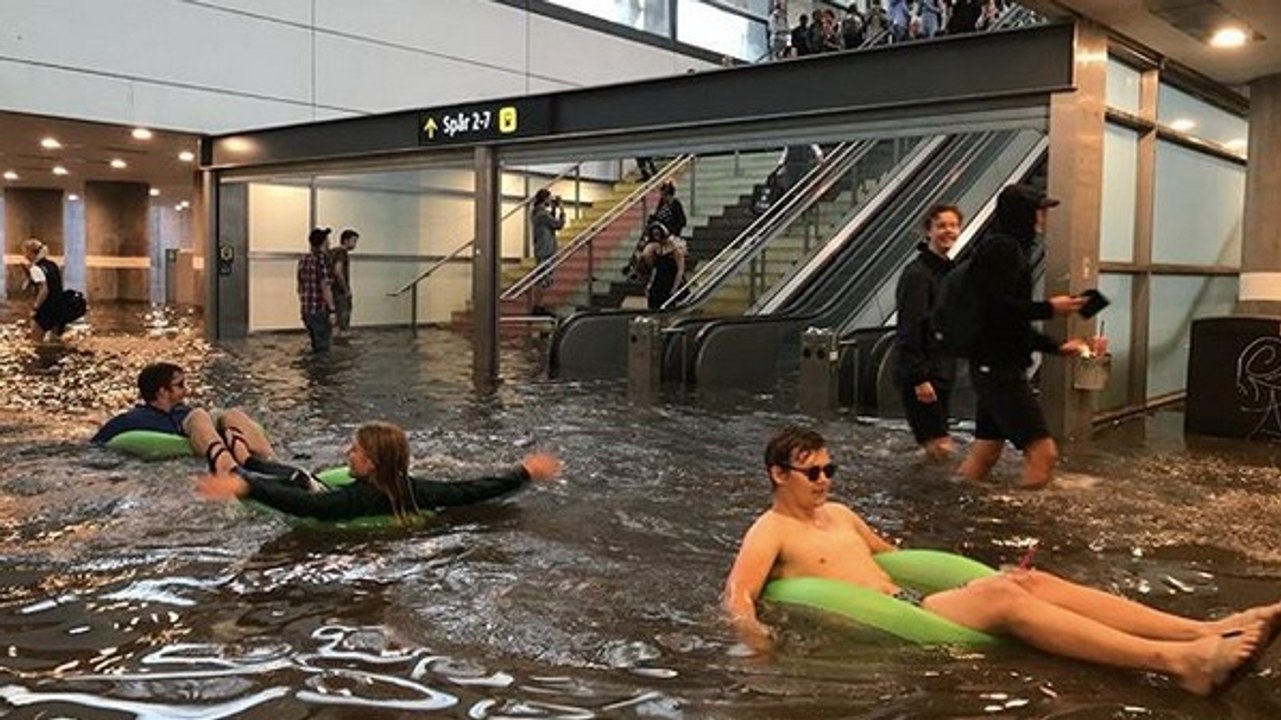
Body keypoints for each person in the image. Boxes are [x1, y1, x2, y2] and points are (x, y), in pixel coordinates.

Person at [723, 426, 1280, 697]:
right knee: (1006, 596)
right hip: (894, 620)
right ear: (779, 474)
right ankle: (1178, 662)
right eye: (813, 473)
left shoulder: (841, 515)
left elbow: (898, 560)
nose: (825, 481)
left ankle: (1210, 628)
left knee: (1027, 579)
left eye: (830, 471)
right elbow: (739, 596)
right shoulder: (769, 531)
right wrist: (758, 649)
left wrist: (980, 577)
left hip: (911, 600)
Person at [956, 184, 1087, 489]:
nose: (1043, 217)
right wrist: (1050, 308)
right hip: (998, 369)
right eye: (1039, 210)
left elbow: (1011, 323)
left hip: (993, 364)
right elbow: (998, 310)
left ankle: (952, 508)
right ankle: (1028, 529)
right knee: (1044, 454)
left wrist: (1055, 346)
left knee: (986, 452)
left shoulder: (1006, 247)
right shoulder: (1004, 250)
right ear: (1022, 213)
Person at [194, 417, 561, 525]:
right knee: (288, 472)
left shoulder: (358, 499)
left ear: (369, 463)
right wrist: (524, 472)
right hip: (305, 483)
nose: (346, 453)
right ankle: (245, 454)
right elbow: (471, 490)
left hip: (299, 488)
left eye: (353, 450)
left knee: (276, 474)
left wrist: (245, 488)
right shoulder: (413, 488)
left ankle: (234, 453)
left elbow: (309, 507)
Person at [893, 205, 960, 459]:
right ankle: (925, 496)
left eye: (953, 225)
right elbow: (909, 327)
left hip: (941, 372)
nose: (948, 231)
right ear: (928, 231)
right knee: (939, 446)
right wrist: (919, 377)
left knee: (937, 444)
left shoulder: (949, 272)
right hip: (922, 376)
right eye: (941, 225)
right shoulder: (917, 275)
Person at [91, 362, 232, 458]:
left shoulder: (184, 412)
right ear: (163, 391)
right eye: (180, 385)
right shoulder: (131, 420)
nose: (186, 390)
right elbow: (95, 447)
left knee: (231, 415)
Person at [297, 227, 337, 353]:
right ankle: (322, 372)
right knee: (324, 349)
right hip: (319, 311)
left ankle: (312, 371)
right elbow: (325, 286)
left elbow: (299, 286)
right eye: (327, 240)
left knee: (315, 345)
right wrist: (332, 310)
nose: (329, 243)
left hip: (306, 311)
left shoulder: (303, 260)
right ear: (323, 243)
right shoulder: (321, 260)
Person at [22, 238, 66, 343]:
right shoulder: (53, 265)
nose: (24, 255)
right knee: (55, 342)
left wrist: (35, 308)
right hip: (59, 309)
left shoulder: (36, 268)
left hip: (45, 310)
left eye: (24, 252)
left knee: (36, 343)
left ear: (30, 252)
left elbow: (44, 290)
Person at [529, 188, 565, 317]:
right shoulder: (543, 214)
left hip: (540, 248)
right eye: (549, 198)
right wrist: (561, 210)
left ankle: (537, 305)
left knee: (542, 279)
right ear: (544, 199)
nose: (551, 201)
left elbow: (550, 223)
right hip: (546, 249)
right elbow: (558, 225)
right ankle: (537, 306)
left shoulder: (536, 213)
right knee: (543, 280)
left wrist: (553, 209)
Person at [640, 222, 686, 310]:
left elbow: (680, 270)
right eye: (654, 235)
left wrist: (674, 288)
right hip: (658, 282)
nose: (656, 237)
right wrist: (649, 285)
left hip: (670, 282)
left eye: (658, 234)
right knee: (653, 305)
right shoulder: (657, 249)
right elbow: (654, 269)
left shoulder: (676, 250)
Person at [328, 228, 359, 338]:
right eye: (353, 240)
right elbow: (338, 271)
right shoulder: (342, 253)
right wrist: (346, 290)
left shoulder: (332, 251)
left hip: (331, 290)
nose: (355, 244)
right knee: (344, 314)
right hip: (339, 290)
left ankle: (336, 337)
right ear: (345, 241)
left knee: (334, 317)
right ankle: (343, 338)